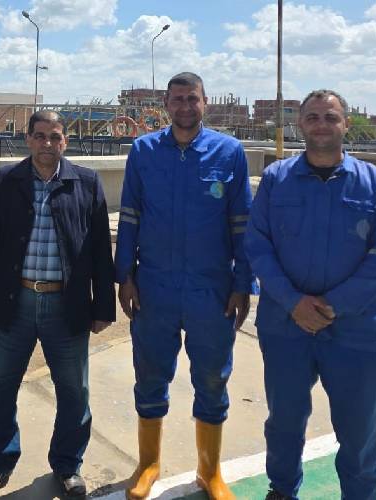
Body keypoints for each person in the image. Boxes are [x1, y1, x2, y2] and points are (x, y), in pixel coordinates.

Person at [245, 89, 376, 500]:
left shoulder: (375, 183)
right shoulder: (277, 180)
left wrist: (333, 305)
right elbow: (257, 246)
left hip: (354, 331)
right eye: (313, 117)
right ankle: (282, 490)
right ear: (300, 124)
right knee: (284, 422)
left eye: (330, 117)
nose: (321, 124)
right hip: (286, 327)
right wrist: (293, 302)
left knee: (359, 429)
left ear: (345, 124)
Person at [114, 72, 256, 500]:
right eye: (177, 99)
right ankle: (148, 464)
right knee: (149, 374)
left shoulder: (229, 152)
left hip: (211, 290)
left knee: (212, 378)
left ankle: (209, 471)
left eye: (192, 99)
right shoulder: (144, 151)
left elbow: (242, 223)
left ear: (205, 102)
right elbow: (130, 216)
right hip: (154, 287)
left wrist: (243, 283)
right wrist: (125, 276)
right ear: (166, 104)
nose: (185, 106)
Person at [0, 111, 116, 498]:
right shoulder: (7, 180)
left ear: (66, 141)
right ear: (28, 139)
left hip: (66, 305)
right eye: (40, 136)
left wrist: (103, 307)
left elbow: (101, 249)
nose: (48, 143)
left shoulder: (86, 182)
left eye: (55, 136)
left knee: (74, 392)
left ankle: (67, 465)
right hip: (15, 302)